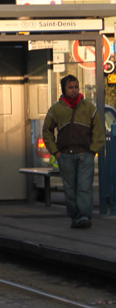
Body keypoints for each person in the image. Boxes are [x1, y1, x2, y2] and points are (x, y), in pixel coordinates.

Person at [42, 75, 103, 229]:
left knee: (84, 187)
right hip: (65, 156)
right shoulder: (56, 109)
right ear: (64, 89)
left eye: (76, 87)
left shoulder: (88, 107)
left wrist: (93, 151)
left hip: (85, 155)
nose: (74, 90)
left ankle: (84, 217)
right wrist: (56, 153)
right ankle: (75, 217)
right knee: (70, 190)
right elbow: (47, 132)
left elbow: (98, 131)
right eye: (71, 87)